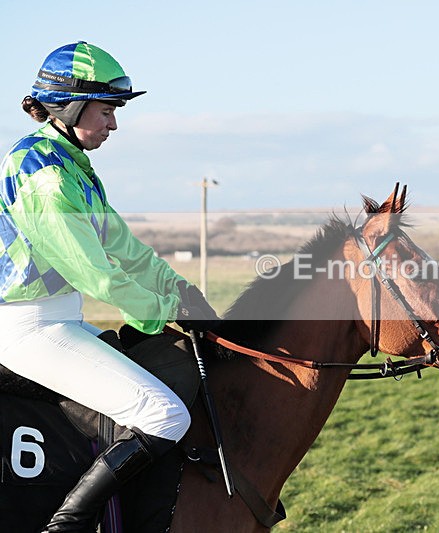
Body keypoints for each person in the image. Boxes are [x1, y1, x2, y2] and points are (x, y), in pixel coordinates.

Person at [0, 41, 220, 531]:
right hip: (29, 329)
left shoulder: (70, 165)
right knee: (165, 416)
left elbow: (125, 249)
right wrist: (163, 309)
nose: (113, 124)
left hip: (60, 319)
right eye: (106, 110)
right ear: (70, 106)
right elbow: (93, 272)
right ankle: (68, 525)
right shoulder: (46, 176)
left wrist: (181, 290)